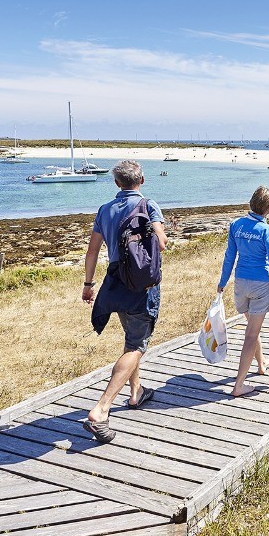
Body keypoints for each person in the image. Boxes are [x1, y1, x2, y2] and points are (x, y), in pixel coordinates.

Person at [82, 160, 169, 444]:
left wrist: (88, 284)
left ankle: (136, 394)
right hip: (141, 286)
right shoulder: (149, 204)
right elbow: (161, 242)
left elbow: (93, 250)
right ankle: (101, 409)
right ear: (141, 179)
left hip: (115, 284)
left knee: (131, 338)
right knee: (136, 345)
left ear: (117, 183)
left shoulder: (105, 210)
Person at [219, 185, 269, 398]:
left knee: (253, 325)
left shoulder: (236, 225)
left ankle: (261, 363)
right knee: (251, 334)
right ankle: (239, 385)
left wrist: (222, 282)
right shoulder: (266, 230)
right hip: (261, 284)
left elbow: (229, 257)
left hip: (240, 284)